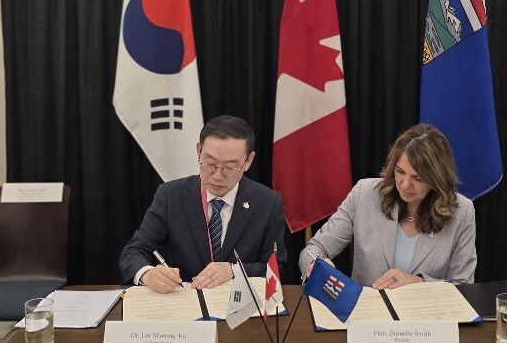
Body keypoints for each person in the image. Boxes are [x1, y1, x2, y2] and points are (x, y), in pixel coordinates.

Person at [120, 115, 287, 293]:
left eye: (229, 168)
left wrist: (234, 270)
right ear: (199, 151)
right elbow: (133, 252)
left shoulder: (267, 203)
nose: (217, 176)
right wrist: (147, 274)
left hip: (238, 303)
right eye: (210, 164)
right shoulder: (171, 196)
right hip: (184, 300)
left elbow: (277, 267)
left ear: (248, 161)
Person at [299, 123, 476, 289]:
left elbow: (464, 286)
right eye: (400, 171)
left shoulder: (462, 212)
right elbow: (315, 248)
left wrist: (419, 282)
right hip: (366, 309)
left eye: (418, 178)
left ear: (437, 179)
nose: (405, 184)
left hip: (424, 311)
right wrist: (314, 264)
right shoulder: (364, 194)